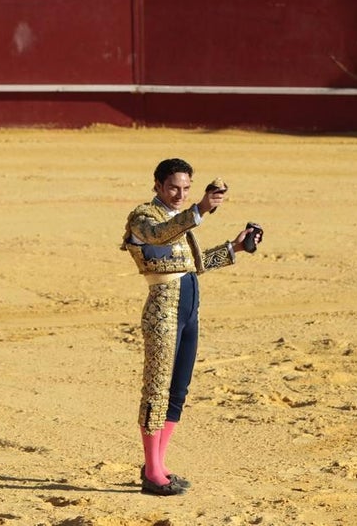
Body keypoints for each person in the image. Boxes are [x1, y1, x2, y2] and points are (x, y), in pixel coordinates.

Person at [121, 158, 259, 497]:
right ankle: (152, 473)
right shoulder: (144, 218)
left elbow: (192, 265)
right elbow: (159, 235)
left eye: (186, 189)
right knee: (156, 389)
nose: (179, 194)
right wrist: (199, 208)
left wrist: (235, 247)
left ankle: (158, 463)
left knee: (178, 389)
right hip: (162, 312)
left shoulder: (178, 221)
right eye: (173, 188)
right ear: (156, 185)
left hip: (188, 307)